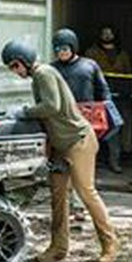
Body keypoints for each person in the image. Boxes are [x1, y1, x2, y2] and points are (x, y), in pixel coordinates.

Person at [1, 39, 119, 262]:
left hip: (78, 140)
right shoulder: (39, 76)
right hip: (61, 144)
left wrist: (22, 112)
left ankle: (110, 244)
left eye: (15, 66)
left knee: (86, 193)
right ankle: (58, 247)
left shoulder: (44, 73)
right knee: (58, 197)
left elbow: (52, 107)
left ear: (24, 61)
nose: (15, 72)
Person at [51, 28, 120, 173]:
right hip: (63, 116)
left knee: (89, 150)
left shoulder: (89, 65)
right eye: (58, 49)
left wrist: (107, 108)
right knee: (64, 155)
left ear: (73, 47)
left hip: (87, 115)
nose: (62, 52)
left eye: (65, 48)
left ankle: (113, 163)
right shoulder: (52, 69)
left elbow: (103, 89)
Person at [85, 25, 132, 170]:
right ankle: (105, 161)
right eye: (104, 33)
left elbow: (129, 74)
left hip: (122, 97)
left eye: (110, 33)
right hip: (100, 97)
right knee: (103, 128)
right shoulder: (91, 52)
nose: (107, 36)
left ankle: (119, 156)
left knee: (123, 125)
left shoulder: (123, 54)